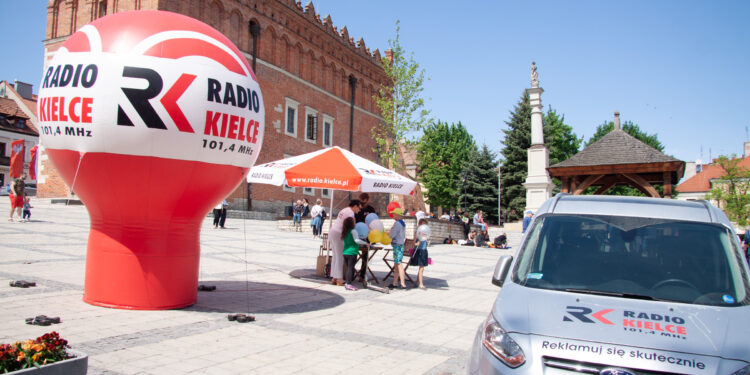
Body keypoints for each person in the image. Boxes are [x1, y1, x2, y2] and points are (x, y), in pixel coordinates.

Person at [329, 200, 361, 286]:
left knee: (335, 255)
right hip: (338, 233)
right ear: (355, 206)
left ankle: (334, 277)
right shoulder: (351, 213)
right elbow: (349, 226)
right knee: (340, 256)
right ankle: (339, 279)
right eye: (358, 208)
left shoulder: (344, 209)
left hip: (332, 231)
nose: (359, 211)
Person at [341, 217, 367, 291]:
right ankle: (348, 284)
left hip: (345, 252)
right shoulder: (353, 231)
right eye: (354, 222)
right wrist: (365, 243)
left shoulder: (345, 231)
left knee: (348, 268)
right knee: (350, 268)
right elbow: (356, 240)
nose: (355, 223)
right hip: (352, 252)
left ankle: (347, 282)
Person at [388, 207, 407, 290]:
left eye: (394, 214)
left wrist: (390, 231)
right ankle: (395, 282)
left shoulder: (397, 224)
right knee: (396, 264)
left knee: (398, 263)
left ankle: (403, 283)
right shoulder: (403, 223)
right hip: (401, 244)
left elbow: (392, 235)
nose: (393, 215)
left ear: (397, 215)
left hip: (397, 245)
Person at [410, 219, 431, 289]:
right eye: (422, 225)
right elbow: (413, 243)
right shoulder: (417, 233)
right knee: (421, 268)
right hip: (419, 251)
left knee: (422, 268)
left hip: (424, 251)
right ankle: (421, 284)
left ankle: (417, 281)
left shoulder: (425, 234)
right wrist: (417, 243)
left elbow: (426, 240)